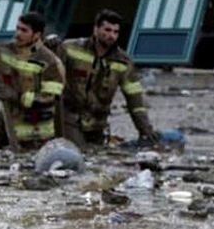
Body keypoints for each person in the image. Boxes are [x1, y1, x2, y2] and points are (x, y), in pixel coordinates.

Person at [50, 9, 158, 147]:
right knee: (79, 154)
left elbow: (135, 100)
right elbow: (46, 71)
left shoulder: (123, 62)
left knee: (97, 155)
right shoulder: (70, 48)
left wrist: (145, 130)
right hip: (70, 120)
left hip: (98, 124)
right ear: (96, 29)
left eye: (115, 32)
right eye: (107, 30)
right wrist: (49, 47)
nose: (111, 35)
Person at [0, 11, 65, 150]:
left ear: (36, 35)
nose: (18, 33)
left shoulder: (49, 61)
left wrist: (16, 96)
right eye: (18, 28)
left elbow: (50, 98)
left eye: (24, 30)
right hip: (9, 118)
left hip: (34, 126)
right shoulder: (8, 50)